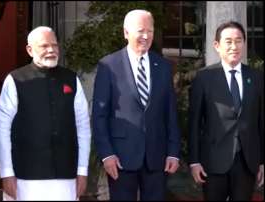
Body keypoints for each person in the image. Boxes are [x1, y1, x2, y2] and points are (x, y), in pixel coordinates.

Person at [92, 9, 181, 200]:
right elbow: (100, 115)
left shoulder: (163, 66)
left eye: (150, 30)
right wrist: (107, 154)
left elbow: (170, 113)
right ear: (126, 33)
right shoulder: (108, 66)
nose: (146, 36)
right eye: (141, 30)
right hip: (120, 158)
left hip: (157, 158)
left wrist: (173, 152)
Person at [0, 26, 91, 200]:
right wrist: (6, 173)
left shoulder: (71, 79)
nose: (51, 50)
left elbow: (83, 127)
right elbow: (2, 129)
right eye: (44, 46)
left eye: (54, 45)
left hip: (66, 175)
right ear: (30, 50)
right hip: (25, 176)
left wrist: (82, 171)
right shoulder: (16, 80)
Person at [188, 21, 264, 201]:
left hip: (247, 162)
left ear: (244, 44)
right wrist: (194, 161)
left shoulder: (256, 77)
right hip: (213, 162)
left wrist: (262, 161)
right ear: (217, 46)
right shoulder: (204, 78)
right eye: (228, 41)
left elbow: (261, 122)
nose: (234, 46)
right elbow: (194, 123)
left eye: (238, 41)